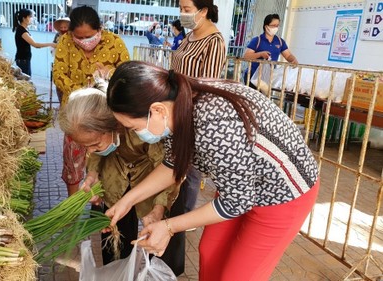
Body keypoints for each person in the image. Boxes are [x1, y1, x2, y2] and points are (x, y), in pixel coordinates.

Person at [104, 61, 320, 281]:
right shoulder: (176, 106)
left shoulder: (215, 123)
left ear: (157, 110)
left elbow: (236, 203)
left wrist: (168, 227)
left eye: (134, 128)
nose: (137, 134)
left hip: (282, 194)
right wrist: (127, 201)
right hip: (239, 186)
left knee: (238, 276)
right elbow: (172, 165)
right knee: (210, 252)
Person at [58, 84, 183, 275]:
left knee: (158, 240)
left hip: (152, 178)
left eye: (94, 144)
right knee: (115, 237)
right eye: (86, 146)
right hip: (115, 178)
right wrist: (92, 176)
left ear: (113, 125)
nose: (90, 150)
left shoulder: (143, 128)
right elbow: (97, 153)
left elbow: (168, 171)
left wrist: (159, 208)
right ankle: (115, 272)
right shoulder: (98, 135)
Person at [53, 5, 130, 196]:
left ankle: (101, 200)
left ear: (99, 29)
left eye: (89, 36)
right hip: (76, 115)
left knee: (103, 157)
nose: (84, 41)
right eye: (79, 37)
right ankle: (74, 204)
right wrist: (83, 95)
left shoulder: (115, 42)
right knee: (73, 161)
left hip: (104, 117)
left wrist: (107, 76)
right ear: (71, 34)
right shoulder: (65, 42)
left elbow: (127, 74)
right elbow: (59, 74)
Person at [172, 0, 226, 236]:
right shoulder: (190, 35)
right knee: (176, 166)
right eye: (181, 9)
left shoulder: (214, 41)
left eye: (186, 9)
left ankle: (181, 222)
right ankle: (173, 215)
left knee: (190, 171)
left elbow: (209, 87)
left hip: (193, 113)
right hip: (176, 110)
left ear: (203, 11)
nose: (182, 14)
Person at [243, 14, 298, 87]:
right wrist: (260, 54)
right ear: (266, 26)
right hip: (252, 76)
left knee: (264, 97)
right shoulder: (257, 40)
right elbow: (246, 56)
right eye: (273, 25)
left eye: (277, 25)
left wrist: (293, 60)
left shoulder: (280, 41)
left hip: (267, 77)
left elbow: (288, 55)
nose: (276, 28)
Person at [12, 9, 53, 76]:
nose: (32, 19)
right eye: (30, 17)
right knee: (25, 82)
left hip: (24, 60)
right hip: (23, 61)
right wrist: (51, 44)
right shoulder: (22, 31)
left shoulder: (23, 29)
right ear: (24, 18)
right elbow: (36, 45)